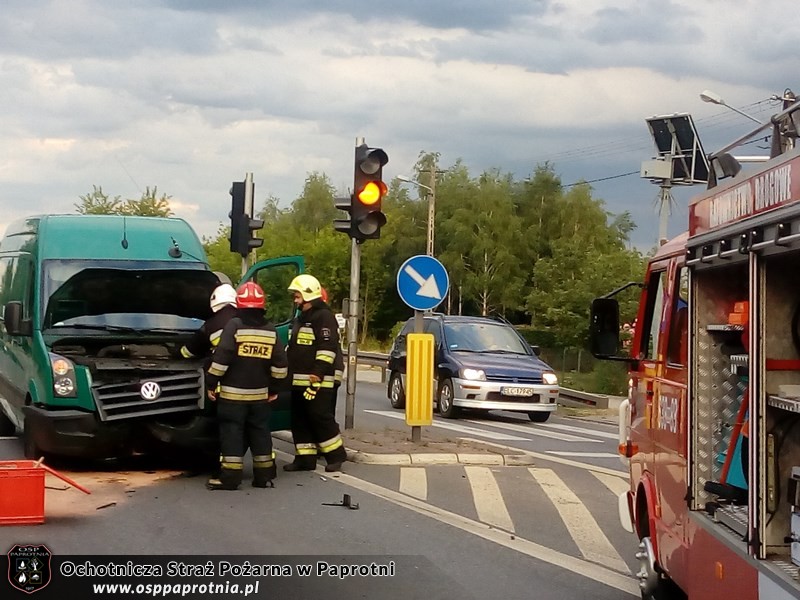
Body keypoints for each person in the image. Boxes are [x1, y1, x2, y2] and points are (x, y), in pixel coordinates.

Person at [204, 281, 289, 490]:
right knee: (260, 434)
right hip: (260, 397)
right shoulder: (270, 330)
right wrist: (274, 389)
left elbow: (221, 359)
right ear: (262, 304)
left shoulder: (234, 325)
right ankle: (264, 477)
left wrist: (211, 384)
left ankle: (230, 478)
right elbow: (280, 365)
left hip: (233, 398)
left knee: (232, 434)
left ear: (239, 303)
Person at [284, 274, 347, 473]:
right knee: (299, 419)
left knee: (320, 417)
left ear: (308, 295)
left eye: (297, 296)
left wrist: (317, 374)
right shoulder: (301, 319)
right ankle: (305, 458)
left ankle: (336, 455)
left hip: (318, 381)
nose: (295, 300)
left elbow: (327, 348)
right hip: (299, 380)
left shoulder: (323, 317)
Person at [180, 283, 238, 362]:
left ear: (215, 300)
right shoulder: (245, 317)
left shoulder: (212, 324)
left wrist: (178, 352)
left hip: (226, 368)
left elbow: (191, 349)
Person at [320, 287, 345, 414]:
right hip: (334, 372)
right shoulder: (330, 319)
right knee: (328, 415)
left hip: (325, 376)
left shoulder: (322, 320)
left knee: (323, 417)